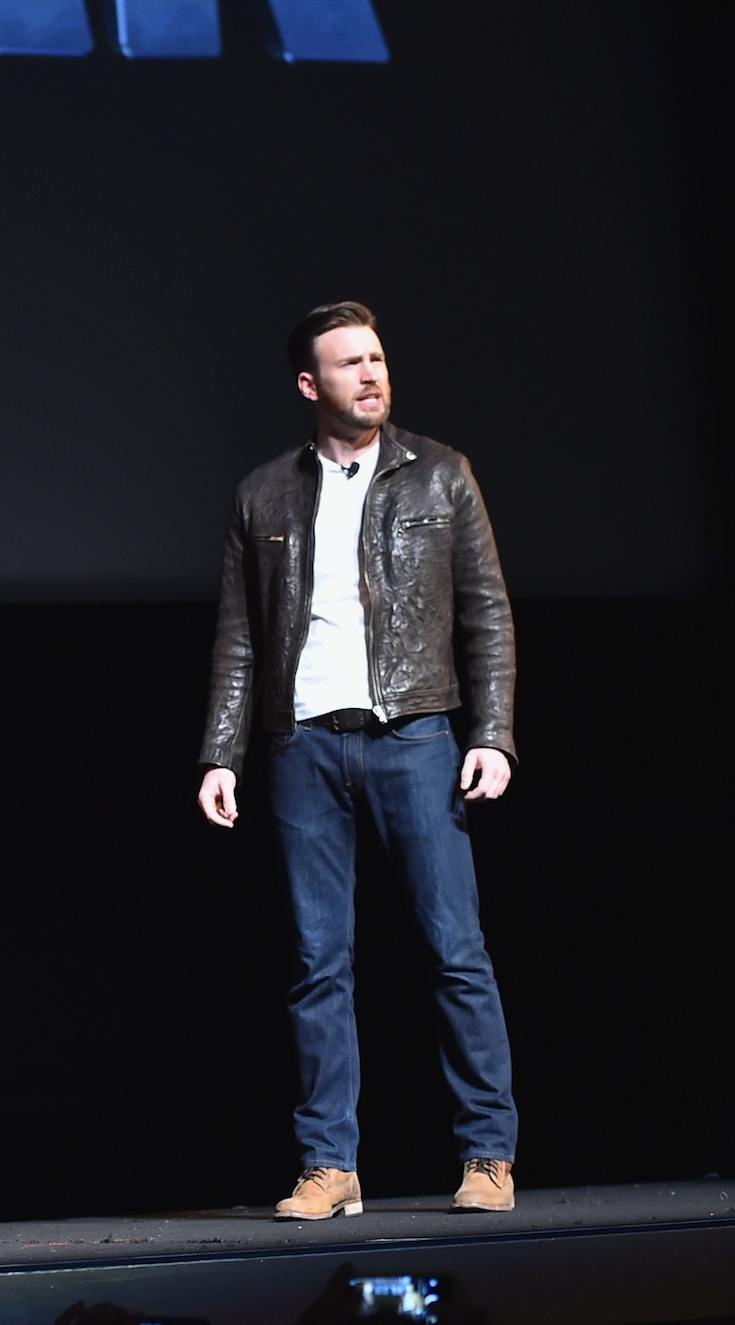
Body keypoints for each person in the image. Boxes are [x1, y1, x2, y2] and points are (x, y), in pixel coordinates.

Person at [196, 302, 520, 1220]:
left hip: (414, 735)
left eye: (376, 358)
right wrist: (221, 754)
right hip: (303, 745)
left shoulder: (441, 473)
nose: (371, 374)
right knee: (316, 961)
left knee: (454, 948)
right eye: (350, 363)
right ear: (311, 384)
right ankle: (329, 1163)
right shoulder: (265, 493)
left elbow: (487, 612)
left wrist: (492, 733)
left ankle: (488, 1152)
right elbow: (239, 637)